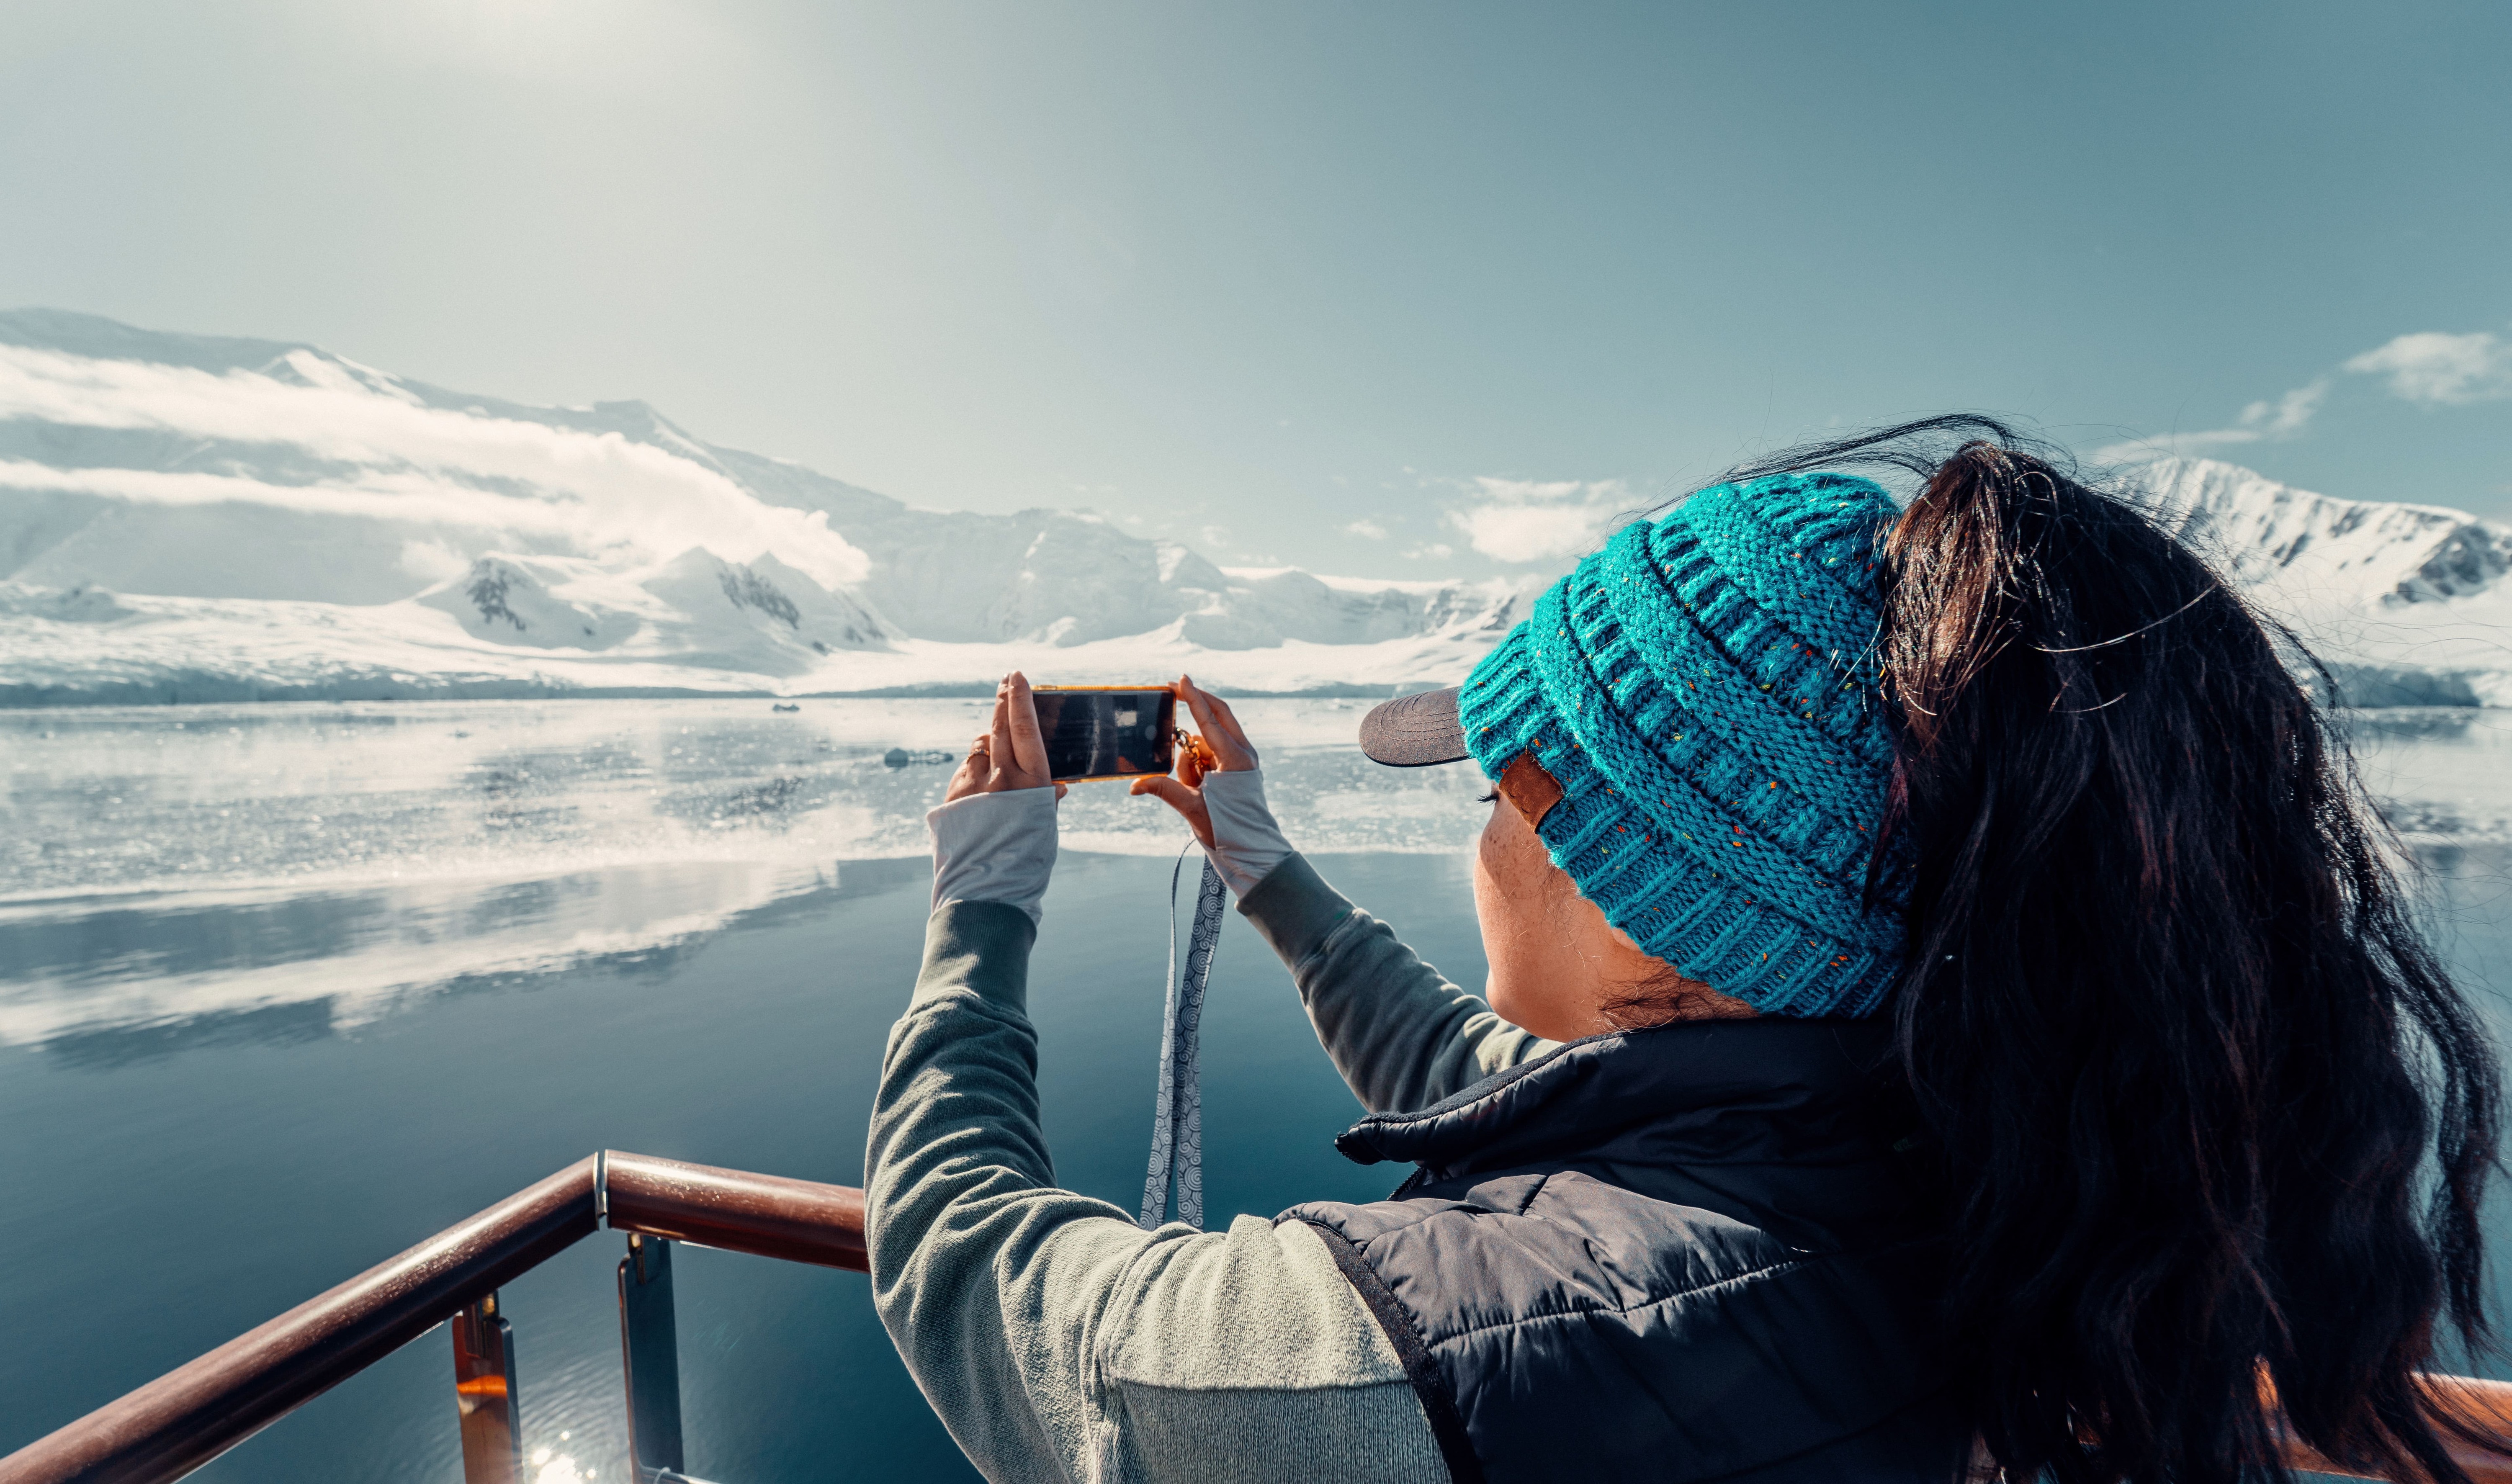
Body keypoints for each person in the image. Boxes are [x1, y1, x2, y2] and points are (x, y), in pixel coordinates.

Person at [865, 417, 2502, 1484]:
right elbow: (1479, 1073)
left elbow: (983, 1280)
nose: (1477, 836)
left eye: (1496, 786)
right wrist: (1265, 863)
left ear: (1636, 878)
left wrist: (984, 897)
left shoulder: (1413, 1368)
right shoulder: (1952, 1157)